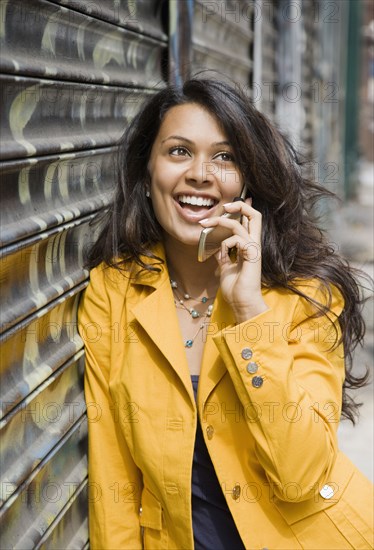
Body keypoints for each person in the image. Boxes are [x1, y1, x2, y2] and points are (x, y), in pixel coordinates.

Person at [78, 77, 373, 550]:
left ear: (248, 182)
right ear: (147, 169)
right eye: (178, 152)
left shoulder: (307, 295)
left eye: (225, 156)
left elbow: (301, 474)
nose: (200, 174)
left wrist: (250, 312)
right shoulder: (115, 291)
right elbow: (113, 477)